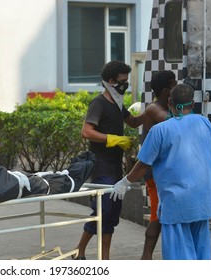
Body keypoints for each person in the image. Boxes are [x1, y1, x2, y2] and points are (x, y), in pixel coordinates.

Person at [110, 83, 211, 260]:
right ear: (193, 105)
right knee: (201, 255)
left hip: (177, 204)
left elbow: (143, 165)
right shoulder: (204, 123)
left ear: (169, 102)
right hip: (203, 201)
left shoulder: (160, 130)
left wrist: (124, 182)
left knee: (179, 260)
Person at [73, 60, 144, 260]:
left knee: (111, 213)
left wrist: (153, 110)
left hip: (115, 168)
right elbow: (86, 132)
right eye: (123, 82)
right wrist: (112, 139)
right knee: (102, 210)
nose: (125, 85)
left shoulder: (118, 104)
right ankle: (90, 254)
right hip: (100, 167)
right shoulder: (99, 103)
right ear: (111, 81)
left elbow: (133, 121)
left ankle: (95, 256)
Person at [140, 70, 177, 259]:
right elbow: (176, 123)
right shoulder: (155, 109)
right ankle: (146, 259)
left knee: (162, 214)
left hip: (163, 172)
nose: (177, 88)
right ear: (165, 91)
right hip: (155, 174)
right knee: (156, 215)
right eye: (174, 86)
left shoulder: (159, 107)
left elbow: (133, 122)